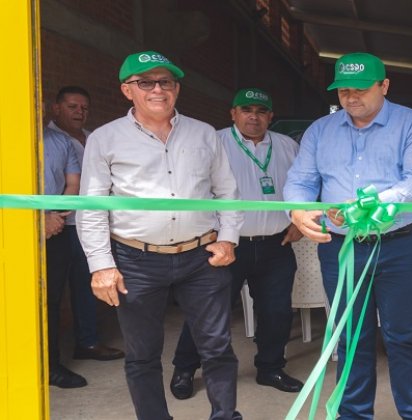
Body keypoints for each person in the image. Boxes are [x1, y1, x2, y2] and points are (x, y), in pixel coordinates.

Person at [76, 51, 243, 420]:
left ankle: (225, 416)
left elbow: (226, 192)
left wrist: (228, 237)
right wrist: (101, 265)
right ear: (127, 90)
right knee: (142, 355)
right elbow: (91, 206)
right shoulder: (105, 139)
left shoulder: (203, 134)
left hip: (202, 258)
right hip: (135, 260)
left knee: (217, 347)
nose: (157, 89)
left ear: (177, 88)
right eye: (145, 82)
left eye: (165, 81)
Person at [284, 52, 412, 420]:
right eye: (343, 90)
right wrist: (298, 209)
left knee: (403, 337)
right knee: (350, 338)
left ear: (384, 86)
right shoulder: (320, 131)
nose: (351, 98)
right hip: (342, 249)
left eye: (361, 89)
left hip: (400, 245)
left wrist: (364, 207)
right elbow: (301, 180)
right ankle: (353, 415)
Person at [169, 88, 304, 399]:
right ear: (233, 113)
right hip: (226, 245)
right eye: (246, 109)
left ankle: (270, 368)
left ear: (271, 116)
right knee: (207, 311)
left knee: (277, 312)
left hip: (276, 244)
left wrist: (299, 223)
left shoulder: (287, 146)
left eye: (260, 110)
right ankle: (186, 367)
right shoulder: (213, 142)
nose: (253, 116)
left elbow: (305, 186)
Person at [47, 86, 125, 362]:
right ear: (56, 108)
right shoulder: (44, 140)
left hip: (91, 226)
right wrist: (52, 215)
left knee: (86, 284)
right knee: (53, 292)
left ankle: (88, 342)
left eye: (84, 108)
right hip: (58, 226)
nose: (79, 112)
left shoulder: (94, 139)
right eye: (72, 107)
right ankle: (50, 358)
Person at [42, 120, 87, 388]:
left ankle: (50, 366)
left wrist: (54, 216)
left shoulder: (62, 143)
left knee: (51, 300)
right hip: (10, 231)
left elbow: (73, 184)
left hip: (54, 232)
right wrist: (38, 219)